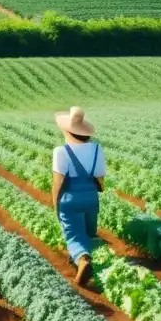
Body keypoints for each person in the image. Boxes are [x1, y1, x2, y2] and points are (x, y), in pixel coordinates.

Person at [51, 106, 105, 286]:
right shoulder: (97, 149)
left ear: (67, 131)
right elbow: (100, 179)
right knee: (88, 234)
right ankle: (97, 266)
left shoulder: (61, 151)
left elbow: (57, 183)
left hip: (70, 198)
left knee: (74, 235)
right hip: (90, 198)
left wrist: (56, 205)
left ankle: (83, 261)